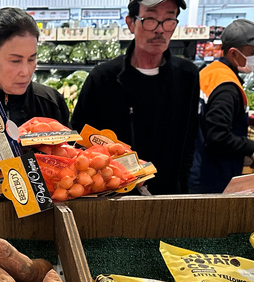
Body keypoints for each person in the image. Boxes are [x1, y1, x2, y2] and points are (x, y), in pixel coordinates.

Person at [70, 0, 199, 195]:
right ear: (131, 23)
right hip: (114, 198)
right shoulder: (103, 78)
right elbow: (80, 142)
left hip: (170, 196)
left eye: (169, 20)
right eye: (150, 19)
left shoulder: (187, 76)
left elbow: (189, 140)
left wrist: (181, 191)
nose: (160, 30)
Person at [188, 19, 254, 194]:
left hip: (198, 168)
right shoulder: (227, 86)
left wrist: (243, 117)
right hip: (212, 178)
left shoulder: (211, 71)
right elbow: (218, 137)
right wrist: (250, 147)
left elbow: (206, 114)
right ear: (234, 53)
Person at [0, 7, 69, 126]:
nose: (25, 72)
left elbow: (71, 144)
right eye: (15, 61)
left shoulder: (50, 103)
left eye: (31, 59)